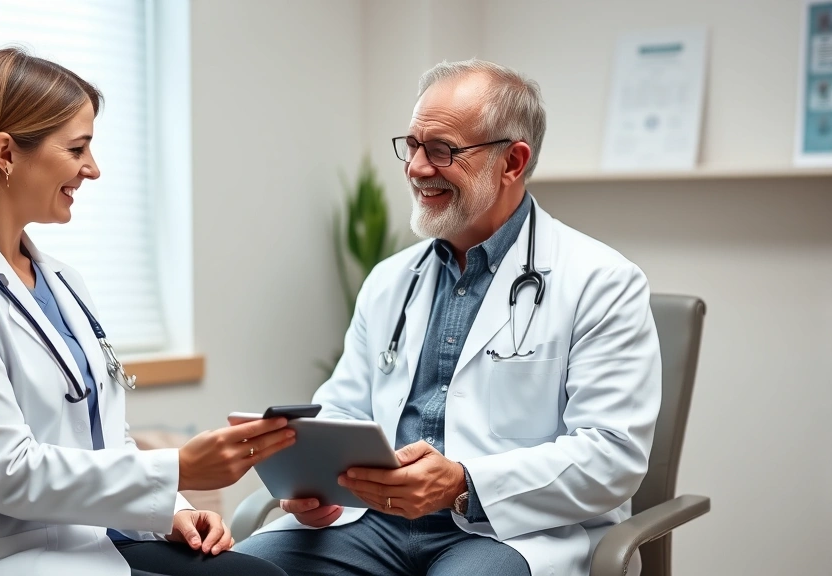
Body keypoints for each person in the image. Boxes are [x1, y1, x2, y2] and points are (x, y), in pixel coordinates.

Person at [0, 47, 291, 576]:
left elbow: (102, 436)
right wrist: (178, 468)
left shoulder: (61, 281)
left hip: (87, 546)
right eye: (78, 147)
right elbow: (9, 473)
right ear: (5, 153)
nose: (94, 169)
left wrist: (173, 509)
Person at [235, 59, 662, 576]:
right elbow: (344, 404)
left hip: (509, 532)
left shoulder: (602, 281)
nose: (416, 167)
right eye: (412, 145)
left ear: (512, 162)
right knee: (243, 569)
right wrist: (314, 479)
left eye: (442, 150)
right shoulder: (391, 280)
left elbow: (611, 455)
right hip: (371, 522)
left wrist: (462, 482)